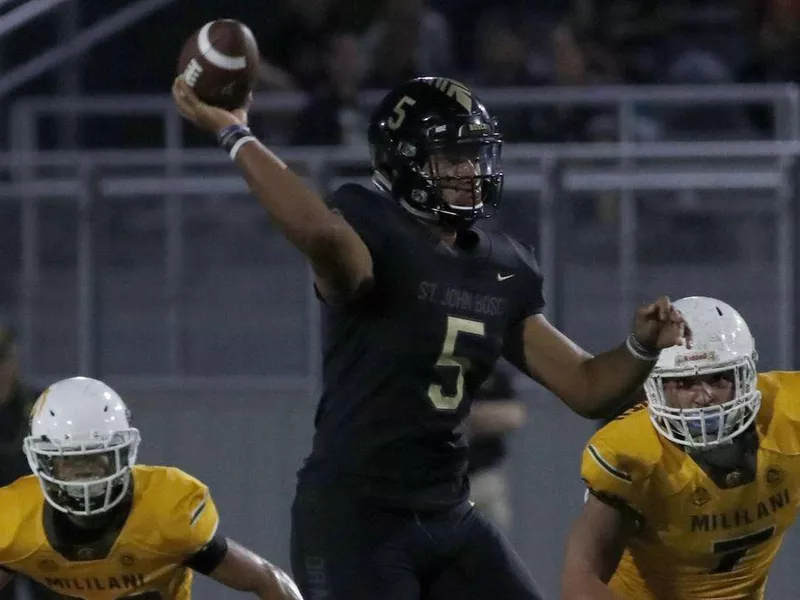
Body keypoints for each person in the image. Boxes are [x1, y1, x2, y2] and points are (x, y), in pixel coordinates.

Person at [172, 74, 689, 599]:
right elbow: (321, 234)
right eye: (452, 157)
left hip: (448, 511)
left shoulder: (502, 266)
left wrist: (641, 346)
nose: (470, 172)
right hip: (357, 518)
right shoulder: (369, 225)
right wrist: (236, 133)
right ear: (404, 161)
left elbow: (586, 386)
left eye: (475, 155)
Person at [561, 296, 797, 600]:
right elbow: (579, 584)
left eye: (718, 378)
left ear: (746, 375)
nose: (704, 397)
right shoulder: (634, 453)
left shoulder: (788, 413)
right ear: (656, 388)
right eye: (685, 384)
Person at [0, 376, 303, 600]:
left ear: (122, 454)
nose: (85, 473)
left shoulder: (165, 514)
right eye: (69, 460)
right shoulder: (13, 523)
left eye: (96, 457)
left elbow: (265, 579)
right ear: (43, 461)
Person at [466, 360, 527, 534]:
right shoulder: (429, 365)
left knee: (490, 547)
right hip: (434, 480)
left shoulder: (489, 369)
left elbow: (514, 415)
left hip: (483, 476)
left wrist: (468, 416)